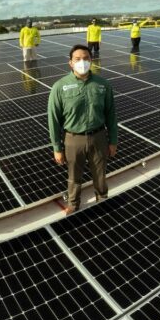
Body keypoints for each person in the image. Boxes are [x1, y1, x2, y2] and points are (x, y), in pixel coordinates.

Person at [47, 44, 117, 215]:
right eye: (77, 59)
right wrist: (57, 148)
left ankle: (102, 198)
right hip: (72, 139)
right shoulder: (60, 87)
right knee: (74, 175)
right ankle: (73, 203)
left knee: (100, 173)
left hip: (98, 137)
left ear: (91, 61)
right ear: (70, 63)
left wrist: (113, 141)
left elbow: (111, 115)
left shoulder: (103, 85)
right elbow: (53, 119)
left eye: (86, 58)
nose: (82, 62)